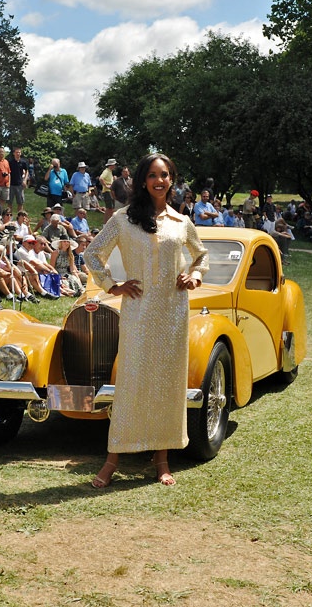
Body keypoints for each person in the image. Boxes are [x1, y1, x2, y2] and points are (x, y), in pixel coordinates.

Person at [83, 152, 208, 488]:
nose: (159, 180)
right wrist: (113, 285)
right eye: (153, 174)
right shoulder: (123, 220)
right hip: (138, 313)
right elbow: (92, 252)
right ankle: (112, 461)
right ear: (142, 180)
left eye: (165, 174)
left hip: (173, 313)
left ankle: (162, 461)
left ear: (172, 179)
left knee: (168, 384)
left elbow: (201, 257)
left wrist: (193, 276)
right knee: (132, 384)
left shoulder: (182, 222)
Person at [8, 147, 29, 213]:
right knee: (9, 202)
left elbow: (26, 171)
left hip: (19, 184)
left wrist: (25, 180)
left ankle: (20, 217)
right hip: (11, 184)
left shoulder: (23, 162)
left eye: (19, 152)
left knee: (20, 202)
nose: (18, 154)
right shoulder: (10, 162)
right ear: (14, 153)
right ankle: (9, 217)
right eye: (17, 152)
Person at [98, 158, 117, 223]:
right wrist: (106, 185)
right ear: (111, 165)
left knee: (109, 208)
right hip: (107, 191)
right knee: (110, 209)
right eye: (114, 165)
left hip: (109, 191)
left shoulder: (109, 172)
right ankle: (109, 223)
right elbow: (101, 178)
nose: (115, 166)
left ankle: (106, 223)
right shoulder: (106, 171)